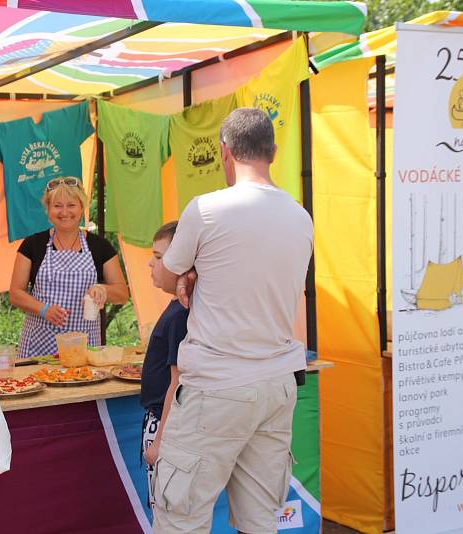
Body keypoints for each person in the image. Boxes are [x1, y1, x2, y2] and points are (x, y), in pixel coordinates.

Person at [152, 108, 314, 534]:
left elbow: (167, 276)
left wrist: (190, 272)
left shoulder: (206, 209)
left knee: (180, 519)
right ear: (273, 152)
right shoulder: (301, 217)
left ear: (224, 151)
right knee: (260, 522)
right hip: (278, 382)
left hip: (218, 385)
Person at [9, 177, 128, 358]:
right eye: (57, 206)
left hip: (85, 348)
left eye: (71, 205)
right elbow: (16, 293)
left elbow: (122, 294)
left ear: (81, 208)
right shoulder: (32, 245)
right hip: (39, 348)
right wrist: (43, 309)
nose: (64, 212)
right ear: (48, 210)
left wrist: (103, 290)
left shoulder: (100, 247)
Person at [140, 221, 189, 508]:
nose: (150, 263)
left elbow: (178, 382)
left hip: (166, 425)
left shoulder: (180, 316)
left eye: (158, 258)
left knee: (166, 508)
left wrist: (159, 441)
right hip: (161, 421)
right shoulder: (175, 309)